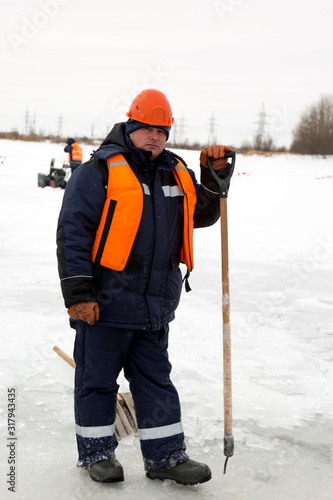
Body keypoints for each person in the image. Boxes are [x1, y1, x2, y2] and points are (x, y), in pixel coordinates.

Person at [56, 89, 232, 486]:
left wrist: (214, 179)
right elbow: (73, 233)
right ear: (130, 127)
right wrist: (78, 295)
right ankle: (97, 454)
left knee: (156, 382)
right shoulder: (98, 171)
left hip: (155, 307)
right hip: (105, 303)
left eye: (163, 130)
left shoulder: (176, 172)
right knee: (96, 380)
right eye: (148, 129)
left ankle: (167, 457)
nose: (155, 137)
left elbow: (200, 213)